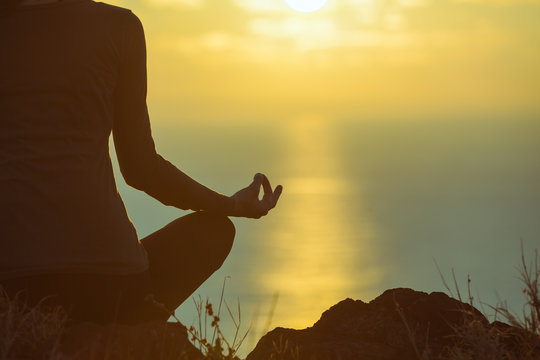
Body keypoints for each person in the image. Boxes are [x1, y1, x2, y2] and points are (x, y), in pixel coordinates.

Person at [0, 0, 282, 324]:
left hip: (12, 287)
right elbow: (140, 168)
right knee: (214, 233)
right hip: (112, 285)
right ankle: (130, 333)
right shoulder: (118, 26)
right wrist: (231, 205)